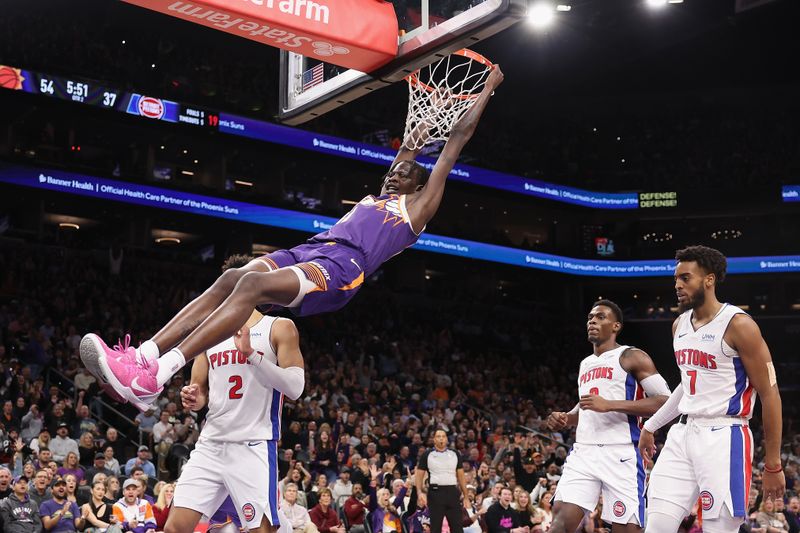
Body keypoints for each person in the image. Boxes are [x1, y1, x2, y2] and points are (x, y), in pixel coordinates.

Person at [80, 66, 505, 410]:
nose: (395, 172)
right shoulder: (383, 194)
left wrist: (484, 90)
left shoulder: (416, 209)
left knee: (249, 285)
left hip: (343, 270)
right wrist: (416, 130)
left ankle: (159, 376)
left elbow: (454, 142)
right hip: (314, 248)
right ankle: (144, 356)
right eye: (393, 169)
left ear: (419, 185)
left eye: (404, 172)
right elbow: (409, 150)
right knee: (234, 277)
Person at [639, 245, 786, 533]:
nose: (678, 285)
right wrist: (651, 426)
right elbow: (689, 383)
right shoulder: (679, 324)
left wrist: (773, 464)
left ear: (709, 279)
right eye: (676, 280)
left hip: (724, 436)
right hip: (683, 434)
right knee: (656, 526)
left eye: (685, 278)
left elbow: (770, 394)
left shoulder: (739, 325)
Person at [166, 276, 306, 533]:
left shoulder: (278, 327)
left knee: (262, 530)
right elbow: (200, 393)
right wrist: (194, 398)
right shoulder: (208, 334)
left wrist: (251, 354)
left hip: (252, 445)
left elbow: (296, 388)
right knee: (174, 528)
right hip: (211, 443)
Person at [544, 300, 670, 533]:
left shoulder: (632, 356)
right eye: (590, 317)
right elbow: (584, 409)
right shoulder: (586, 364)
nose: (592, 320)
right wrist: (565, 418)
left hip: (621, 453)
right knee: (559, 524)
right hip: (584, 451)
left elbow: (665, 401)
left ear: (616, 326)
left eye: (600, 317)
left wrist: (610, 405)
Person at [416, 429, 470, 533]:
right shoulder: (427, 454)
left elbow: (461, 476)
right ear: (434, 439)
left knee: (457, 527)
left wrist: (466, 496)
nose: (441, 438)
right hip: (435, 493)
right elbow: (419, 475)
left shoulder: (455, 454)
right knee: (435, 527)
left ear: (447, 439)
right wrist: (419, 492)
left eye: (443, 436)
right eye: (438, 436)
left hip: (452, 492)